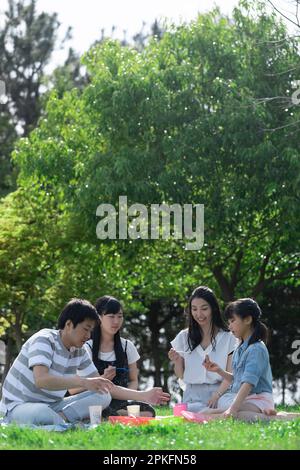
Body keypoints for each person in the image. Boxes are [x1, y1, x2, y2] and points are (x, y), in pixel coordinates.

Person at [0, 299, 170, 426]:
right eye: (86, 329)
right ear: (68, 324)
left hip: (54, 406)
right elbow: (42, 380)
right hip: (18, 407)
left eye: (91, 330)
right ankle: (64, 423)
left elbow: (101, 385)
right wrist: (83, 381)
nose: (88, 336)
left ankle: (62, 421)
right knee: (41, 412)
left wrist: (143, 395)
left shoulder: (79, 350)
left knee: (102, 394)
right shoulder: (44, 340)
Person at [202, 298, 300, 421]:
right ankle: (269, 415)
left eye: (233, 321)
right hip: (246, 398)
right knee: (216, 408)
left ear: (247, 319)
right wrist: (219, 371)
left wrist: (233, 409)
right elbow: (237, 379)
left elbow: (248, 383)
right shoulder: (239, 348)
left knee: (236, 414)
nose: (229, 326)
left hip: (259, 399)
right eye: (228, 322)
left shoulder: (256, 349)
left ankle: (280, 418)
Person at [168, 286, 237, 412]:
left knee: (231, 407)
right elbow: (181, 375)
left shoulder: (229, 338)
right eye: (194, 309)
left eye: (204, 309)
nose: (199, 314)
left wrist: (217, 395)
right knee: (189, 412)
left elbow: (230, 375)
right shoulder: (184, 337)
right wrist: (177, 361)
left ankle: (211, 412)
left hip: (220, 395)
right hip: (192, 397)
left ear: (213, 308)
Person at [87, 295, 156, 417]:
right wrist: (104, 377)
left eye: (120, 316)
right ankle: (118, 415)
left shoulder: (127, 346)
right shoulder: (87, 347)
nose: (116, 321)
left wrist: (128, 399)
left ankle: (118, 414)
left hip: (122, 402)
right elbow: (79, 387)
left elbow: (134, 380)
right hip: (97, 400)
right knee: (100, 409)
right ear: (99, 317)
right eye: (111, 316)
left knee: (149, 411)